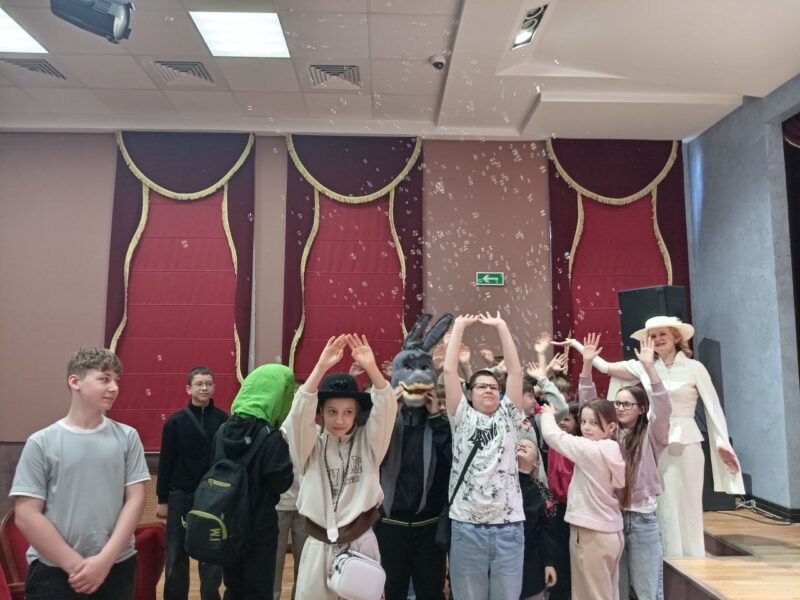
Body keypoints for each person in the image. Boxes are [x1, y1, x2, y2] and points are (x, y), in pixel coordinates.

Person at [558, 315, 744, 557]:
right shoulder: (644, 366)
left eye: (662, 334)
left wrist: (720, 441)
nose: (657, 339)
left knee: (690, 499)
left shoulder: (694, 368)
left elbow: (713, 406)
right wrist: (577, 345)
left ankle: (694, 555)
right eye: (653, 336)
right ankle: (669, 555)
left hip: (687, 439)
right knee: (664, 501)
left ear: (676, 337)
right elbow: (603, 366)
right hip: (656, 440)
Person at [10, 347, 149, 600]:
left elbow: (135, 500)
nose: (114, 387)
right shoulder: (41, 442)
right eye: (104, 379)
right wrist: (76, 565)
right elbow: (26, 514)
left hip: (116, 566)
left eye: (116, 380)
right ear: (75, 382)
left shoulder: (127, 437)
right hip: (53, 571)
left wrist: (104, 561)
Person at [283, 334, 397, 600]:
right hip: (319, 544)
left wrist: (372, 369)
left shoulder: (369, 444)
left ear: (357, 413)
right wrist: (320, 367)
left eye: (348, 412)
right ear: (321, 412)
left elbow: (386, 409)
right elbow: (298, 414)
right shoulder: (309, 446)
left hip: (360, 544)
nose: (339, 420)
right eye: (332, 411)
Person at [578, 333, 671, 600]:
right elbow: (589, 406)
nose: (619, 408)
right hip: (612, 517)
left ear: (641, 408)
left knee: (646, 591)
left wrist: (649, 368)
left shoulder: (652, 435)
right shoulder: (609, 433)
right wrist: (587, 364)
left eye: (626, 404)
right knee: (615, 589)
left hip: (642, 520)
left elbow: (663, 406)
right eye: (617, 403)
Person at [443, 312, 526, 600]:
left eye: (493, 387)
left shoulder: (508, 415)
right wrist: (459, 326)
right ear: (469, 393)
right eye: (481, 386)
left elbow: (516, 373)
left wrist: (502, 326)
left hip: (509, 526)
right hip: (467, 526)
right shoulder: (461, 415)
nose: (489, 390)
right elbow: (449, 372)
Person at [214, 363, 295, 599]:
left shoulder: (222, 430)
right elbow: (282, 482)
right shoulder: (271, 436)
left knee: (233, 587)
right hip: (260, 527)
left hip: (228, 524)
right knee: (258, 590)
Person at [540, 398, 626, 600]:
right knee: (607, 594)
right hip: (611, 532)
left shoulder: (592, 450)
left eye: (594, 423)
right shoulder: (613, 449)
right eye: (584, 421)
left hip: (591, 533)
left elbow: (553, 436)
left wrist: (548, 415)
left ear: (611, 427)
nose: (586, 428)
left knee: (590, 595)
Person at [156, 366, 228, 600]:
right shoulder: (175, 423)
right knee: (176, 554)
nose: (204, 388)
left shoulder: (224, 421)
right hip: (181, 495)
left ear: (214, 387)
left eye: (208, 383)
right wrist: (162, 500)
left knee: (212, 553)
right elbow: (166, 463)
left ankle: (210, 596)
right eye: (199, 384)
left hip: (213, 497)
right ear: (189, 389)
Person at [377, 388, 452, 600]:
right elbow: (372, 455)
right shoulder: (383, 423)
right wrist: (390, 412)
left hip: (429, 525)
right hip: (390, 524)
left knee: (431, 591)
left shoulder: (440, 424)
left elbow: (451, 460)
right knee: (392, 591)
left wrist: (436, 416)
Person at [516, 439, 558, 600]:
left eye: (529, 446)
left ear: (536, 463)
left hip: (531, 561)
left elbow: (548, 531)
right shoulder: (498, 486)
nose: (522, 445)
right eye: (518, 444)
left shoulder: (542, 493)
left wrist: (549, 563)